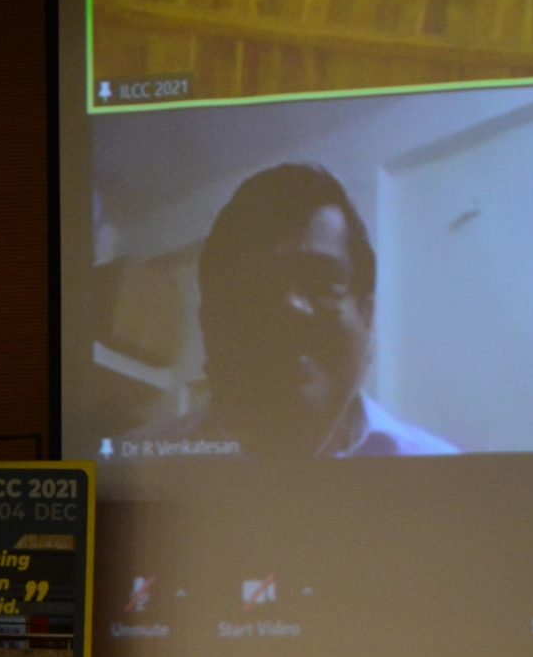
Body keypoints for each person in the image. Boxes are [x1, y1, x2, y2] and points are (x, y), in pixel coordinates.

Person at [131, 163, 456, 457]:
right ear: (209, 325)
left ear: (366, 314)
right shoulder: (130, 466)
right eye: (254, 287)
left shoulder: (443, 476)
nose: (292, 307)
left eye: (322, 281)